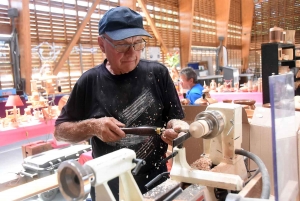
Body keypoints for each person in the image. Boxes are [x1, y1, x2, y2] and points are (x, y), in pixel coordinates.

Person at [54, 6, 188, 201]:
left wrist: (176, 128)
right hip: (108, 186)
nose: (132, 53)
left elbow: (173, 119)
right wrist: (93, 126)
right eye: (122, 45)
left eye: (137, 43)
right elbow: (60, 131)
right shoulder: (89, 82)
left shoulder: (158, 74)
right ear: (102, 44)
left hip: (156, 181)